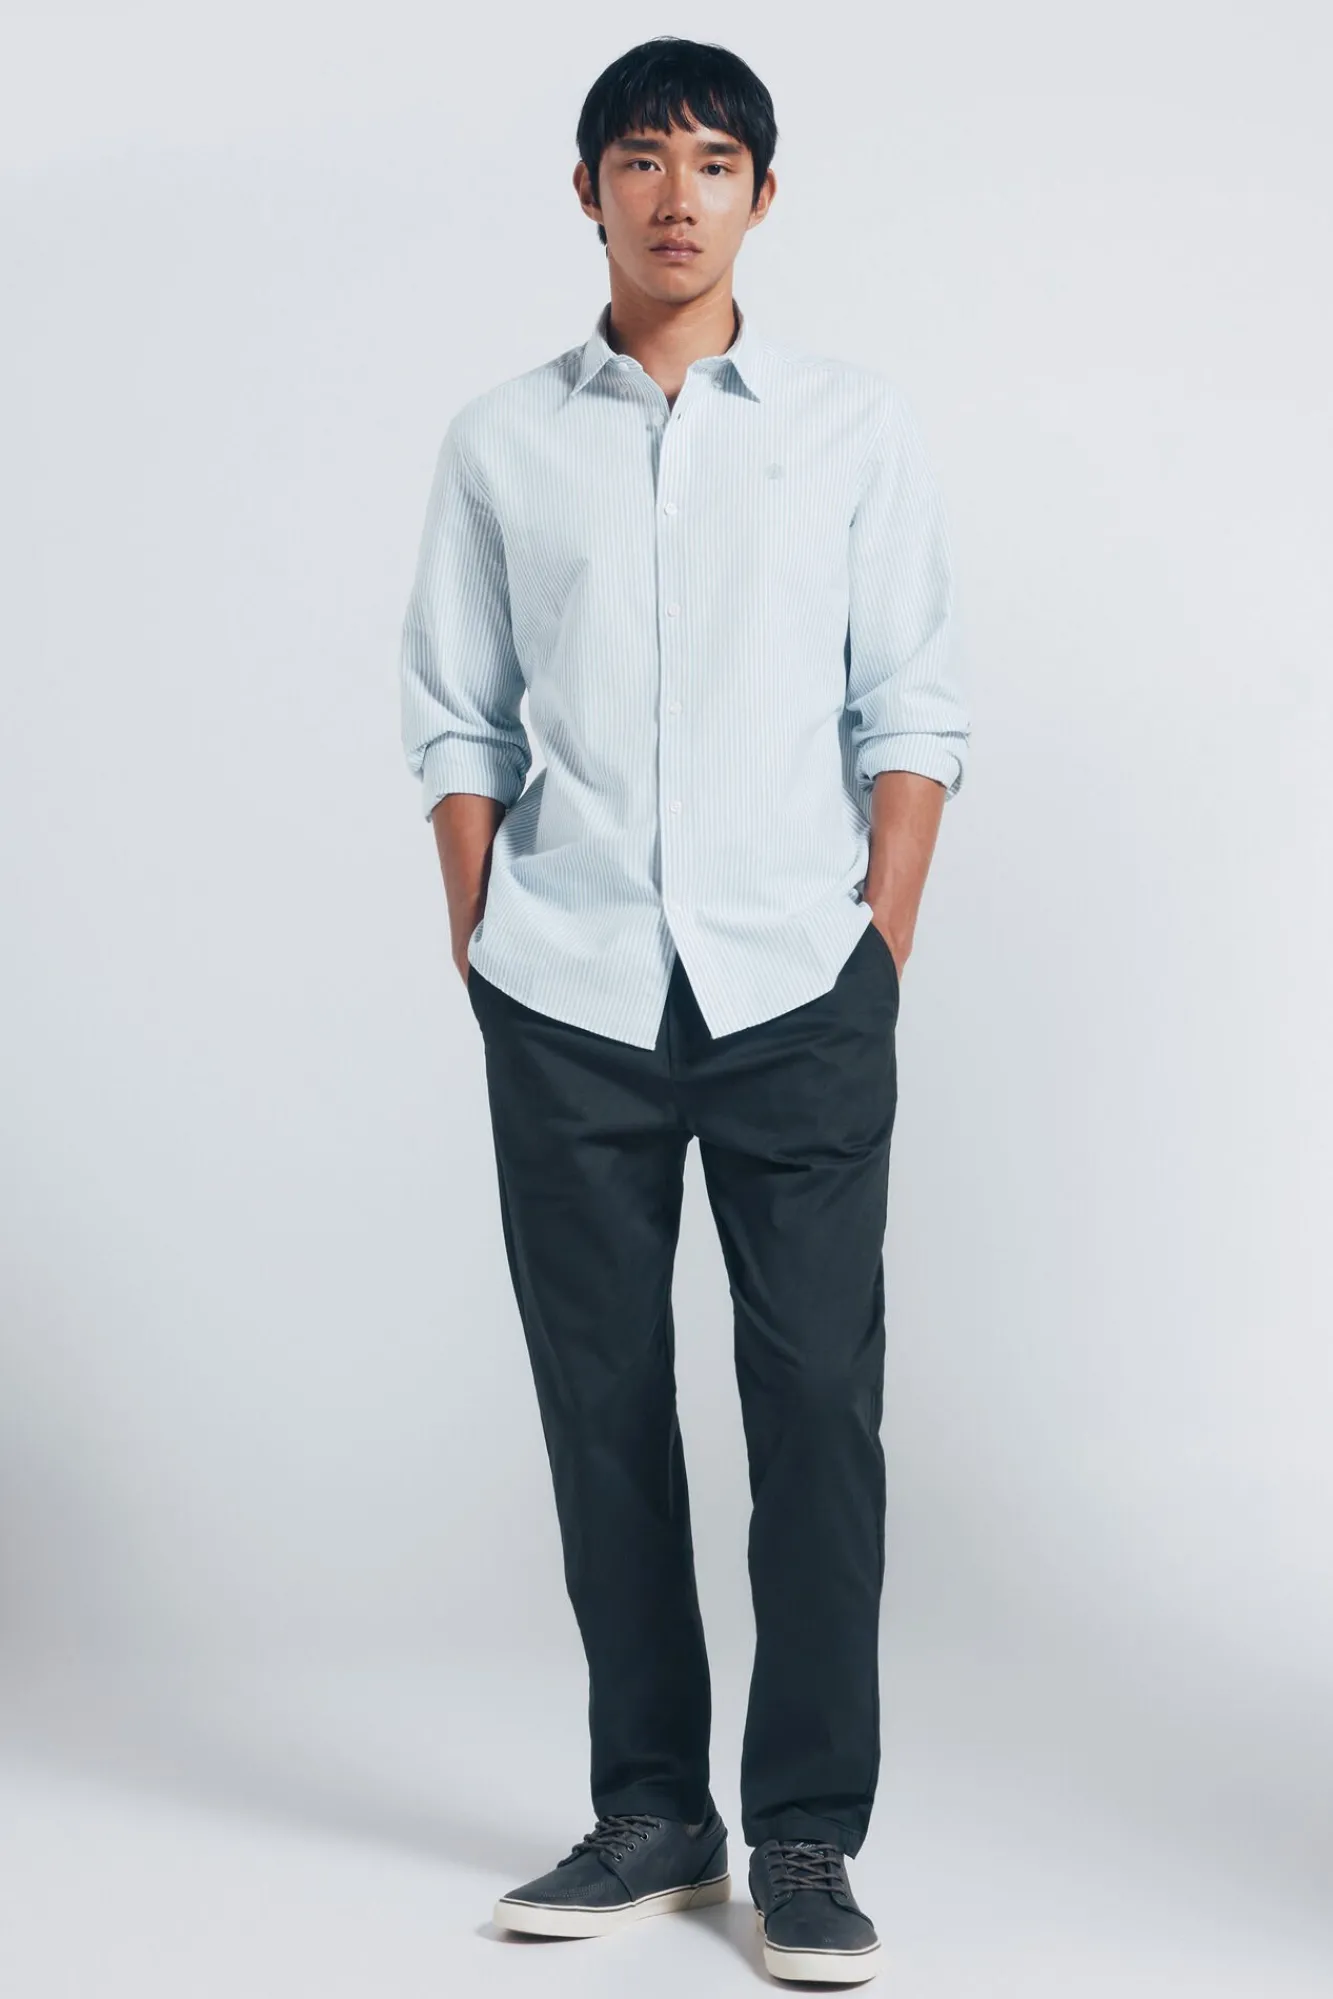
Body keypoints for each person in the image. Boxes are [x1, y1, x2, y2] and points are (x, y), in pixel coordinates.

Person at [398, 35, 969, 1986]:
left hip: (801, 981)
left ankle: (805, 1832)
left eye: (714, 161)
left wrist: (880, 940)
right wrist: (484, 935)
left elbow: (914, 705)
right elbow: (458, 714)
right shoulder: (502, 442)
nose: (676, 193)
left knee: (813, 1402)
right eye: (640, 158)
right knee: (603, 1404)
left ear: (761, 197)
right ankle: (652, 1809)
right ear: (588, 191)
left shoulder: (853, 428)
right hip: (566, 990)